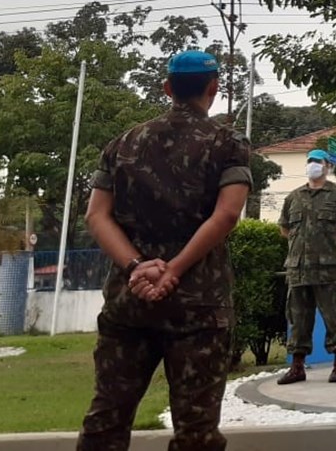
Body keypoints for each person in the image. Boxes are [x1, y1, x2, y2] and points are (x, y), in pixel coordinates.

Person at [77, 50, 252, 451]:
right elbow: (226, 216)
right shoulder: (227, 143)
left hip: (130, 303)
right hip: (200, 307)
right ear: (214, 87)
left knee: (107, 419)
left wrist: (137, 267)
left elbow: (96, 216)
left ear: (167, 88)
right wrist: (174, 270)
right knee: (196, 430)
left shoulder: (122, 144)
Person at [276, 147, 336, 385]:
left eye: (318, 161)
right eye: (310, 161)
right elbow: (285, 228)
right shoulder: (293, 197)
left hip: (330, 269)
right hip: (299, 268)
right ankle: (297, 367)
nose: (313, 165)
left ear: (327, 166)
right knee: (298, 319)